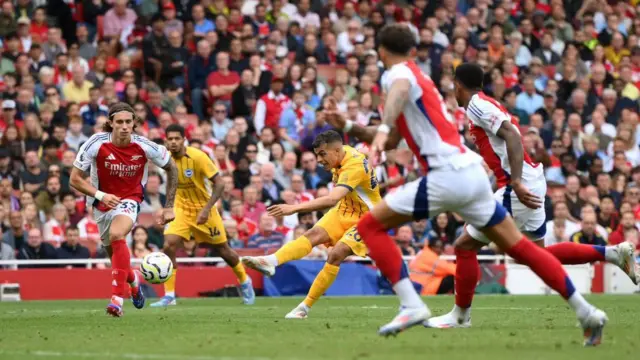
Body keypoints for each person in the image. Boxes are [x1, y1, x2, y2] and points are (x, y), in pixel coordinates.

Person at [323, 24, 607, 345]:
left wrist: (385, 124)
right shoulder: (420, 77)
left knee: (371, 227)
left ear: (382, 51)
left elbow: (397, 95)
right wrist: (348, 125)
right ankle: (587, 313)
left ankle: (412, 304)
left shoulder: (397, 74)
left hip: (447, 175)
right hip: (472, 174)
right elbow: (392, 140)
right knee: (520, 249)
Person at [426, 63, 638, 328]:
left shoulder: (476, 105)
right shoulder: (483, 104)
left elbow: (512, 135)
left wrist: (515, 182)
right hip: (529, 180)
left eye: (452, 85)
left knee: (464, 246)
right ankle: (613, 254)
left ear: (458, 84)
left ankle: (460, 316)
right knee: (537, 254)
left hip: (518, 186)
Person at [243, 130, 382, 319]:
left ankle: (304, 307)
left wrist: (294, 208)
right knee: (312, 235)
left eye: (322, 154)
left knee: (336, 253)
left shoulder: (353, 166)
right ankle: (271, 261)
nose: (319, 160)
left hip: (367, 219)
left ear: (336, 150)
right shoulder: (344, 152)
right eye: (317, 155)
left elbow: (332, 199)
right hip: (345, 210)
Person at [70, 102, 178, 317]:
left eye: (128, 122)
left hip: (130, 199)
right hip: (101, 203)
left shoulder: (145, 146)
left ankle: (117, 300)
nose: (124, 126)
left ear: (134, 124)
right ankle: (134, 280)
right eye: (119, 122)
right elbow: (74, 180)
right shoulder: (95, 144)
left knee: (118, 234)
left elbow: (172, 167)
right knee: (117, 259)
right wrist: (101, 196)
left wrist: (169, 206)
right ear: (110, 123)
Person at [150, 124, 254, 307]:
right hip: (182, 209)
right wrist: (168, 208)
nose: (173, 142)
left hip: (204, 208)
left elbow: (220, 183)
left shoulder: (198, 157)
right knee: (168, 245)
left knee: (223, 250)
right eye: (170, 139)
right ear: (166, 141)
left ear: (184, 139)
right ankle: (169, 295)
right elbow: (170, 182)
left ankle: (245, 282)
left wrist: (206, 210)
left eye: (177, 138)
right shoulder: (166, 159)